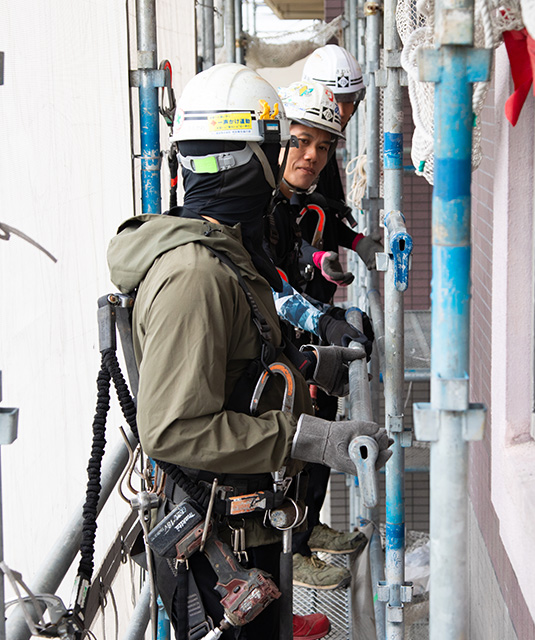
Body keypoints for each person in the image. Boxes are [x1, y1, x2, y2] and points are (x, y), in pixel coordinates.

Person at [107, 63, 391, 640]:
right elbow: (173, 429)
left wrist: (307, 364)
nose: (288, 162)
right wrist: (309, 439)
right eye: (276, 148)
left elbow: (237, 363)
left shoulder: (222, 252)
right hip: (221, 552)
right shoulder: (194, 275)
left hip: (248, 527)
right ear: (248, 160)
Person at [262, 80, 374, 592]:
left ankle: (305, 528)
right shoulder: (258, 201)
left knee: (317, 424)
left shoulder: (301, 200)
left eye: (323, 147)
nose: (312, 156)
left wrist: (323, 259)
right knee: (283, 451)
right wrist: (325, 322)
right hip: (267, 348)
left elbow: (296, 252)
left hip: (290, 338)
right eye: (301, 141)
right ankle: (291, 546)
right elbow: (268, 281)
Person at [301, 44, 383, 276]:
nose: (342, 110)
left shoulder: (326, 146)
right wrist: (314, 257)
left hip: (315, 277)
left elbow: (321, 212)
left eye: (349, 100)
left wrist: (356, 241)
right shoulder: (292, 150)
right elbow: (282, 226)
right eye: (334, 100)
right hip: (294, 282)